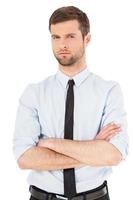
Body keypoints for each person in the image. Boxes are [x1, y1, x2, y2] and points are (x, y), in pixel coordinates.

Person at [13, 6, 129, 200]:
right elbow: (25, 158)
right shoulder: (34, 93)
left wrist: (50, 144)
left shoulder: (109, 91)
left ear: (87, 39)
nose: (62, 44)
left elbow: (113, 154)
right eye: (55, 37)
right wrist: (94, 147)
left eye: (70, 36)